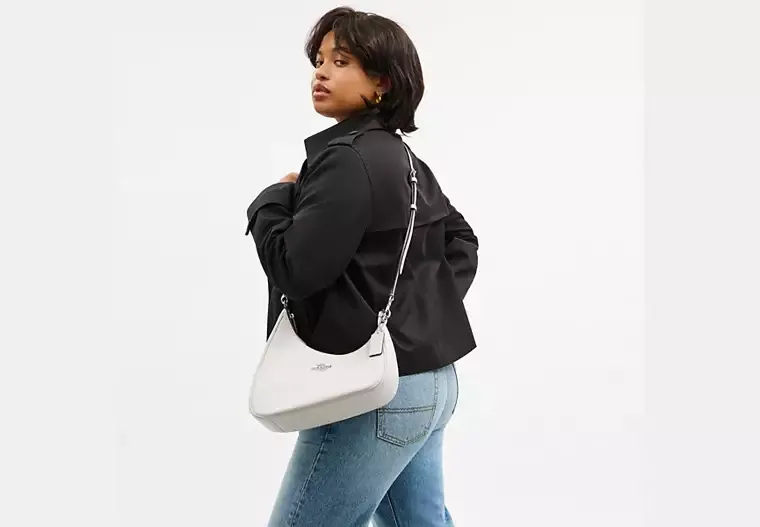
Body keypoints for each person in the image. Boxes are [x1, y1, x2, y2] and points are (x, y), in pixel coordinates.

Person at [244, 7, 478, 526]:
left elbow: (294, 268)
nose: (321, 73)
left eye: (341, 61)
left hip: (370, 393)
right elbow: (461, 242)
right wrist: (416, 314)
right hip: (430, 382)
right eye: (320, 61)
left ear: (382, 83)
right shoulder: (406, 161)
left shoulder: (347, 159)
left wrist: (271, 200)